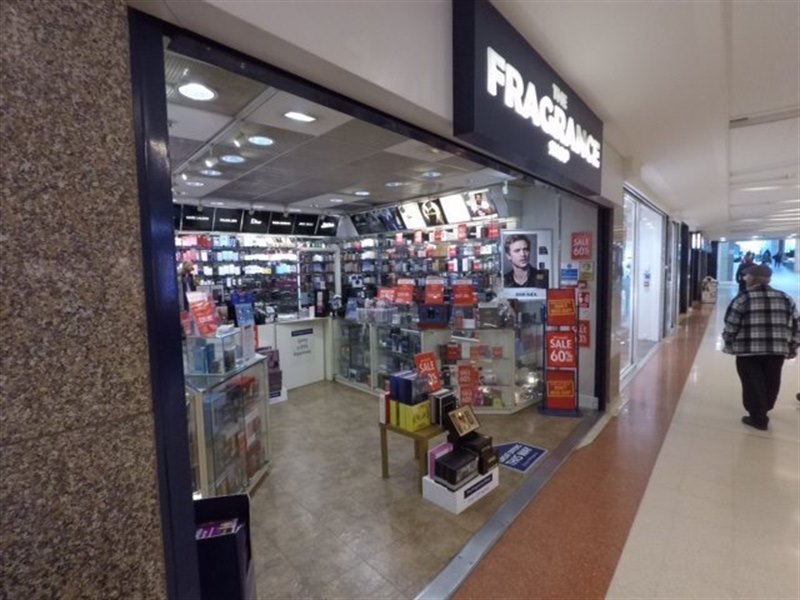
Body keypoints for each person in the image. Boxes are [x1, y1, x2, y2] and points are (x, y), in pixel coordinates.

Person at [722, 264, 799, 431]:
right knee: (772, 380)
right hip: (776, 350)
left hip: (748, 350)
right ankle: (764, 408)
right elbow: (796, 324)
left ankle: (758, 417)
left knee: (752, 382)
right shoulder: (785, 298)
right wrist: (793, 346)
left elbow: (731, 324)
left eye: (746, 276)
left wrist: (728, 342)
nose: (744, 279)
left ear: (752, 279)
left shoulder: (743, 298)